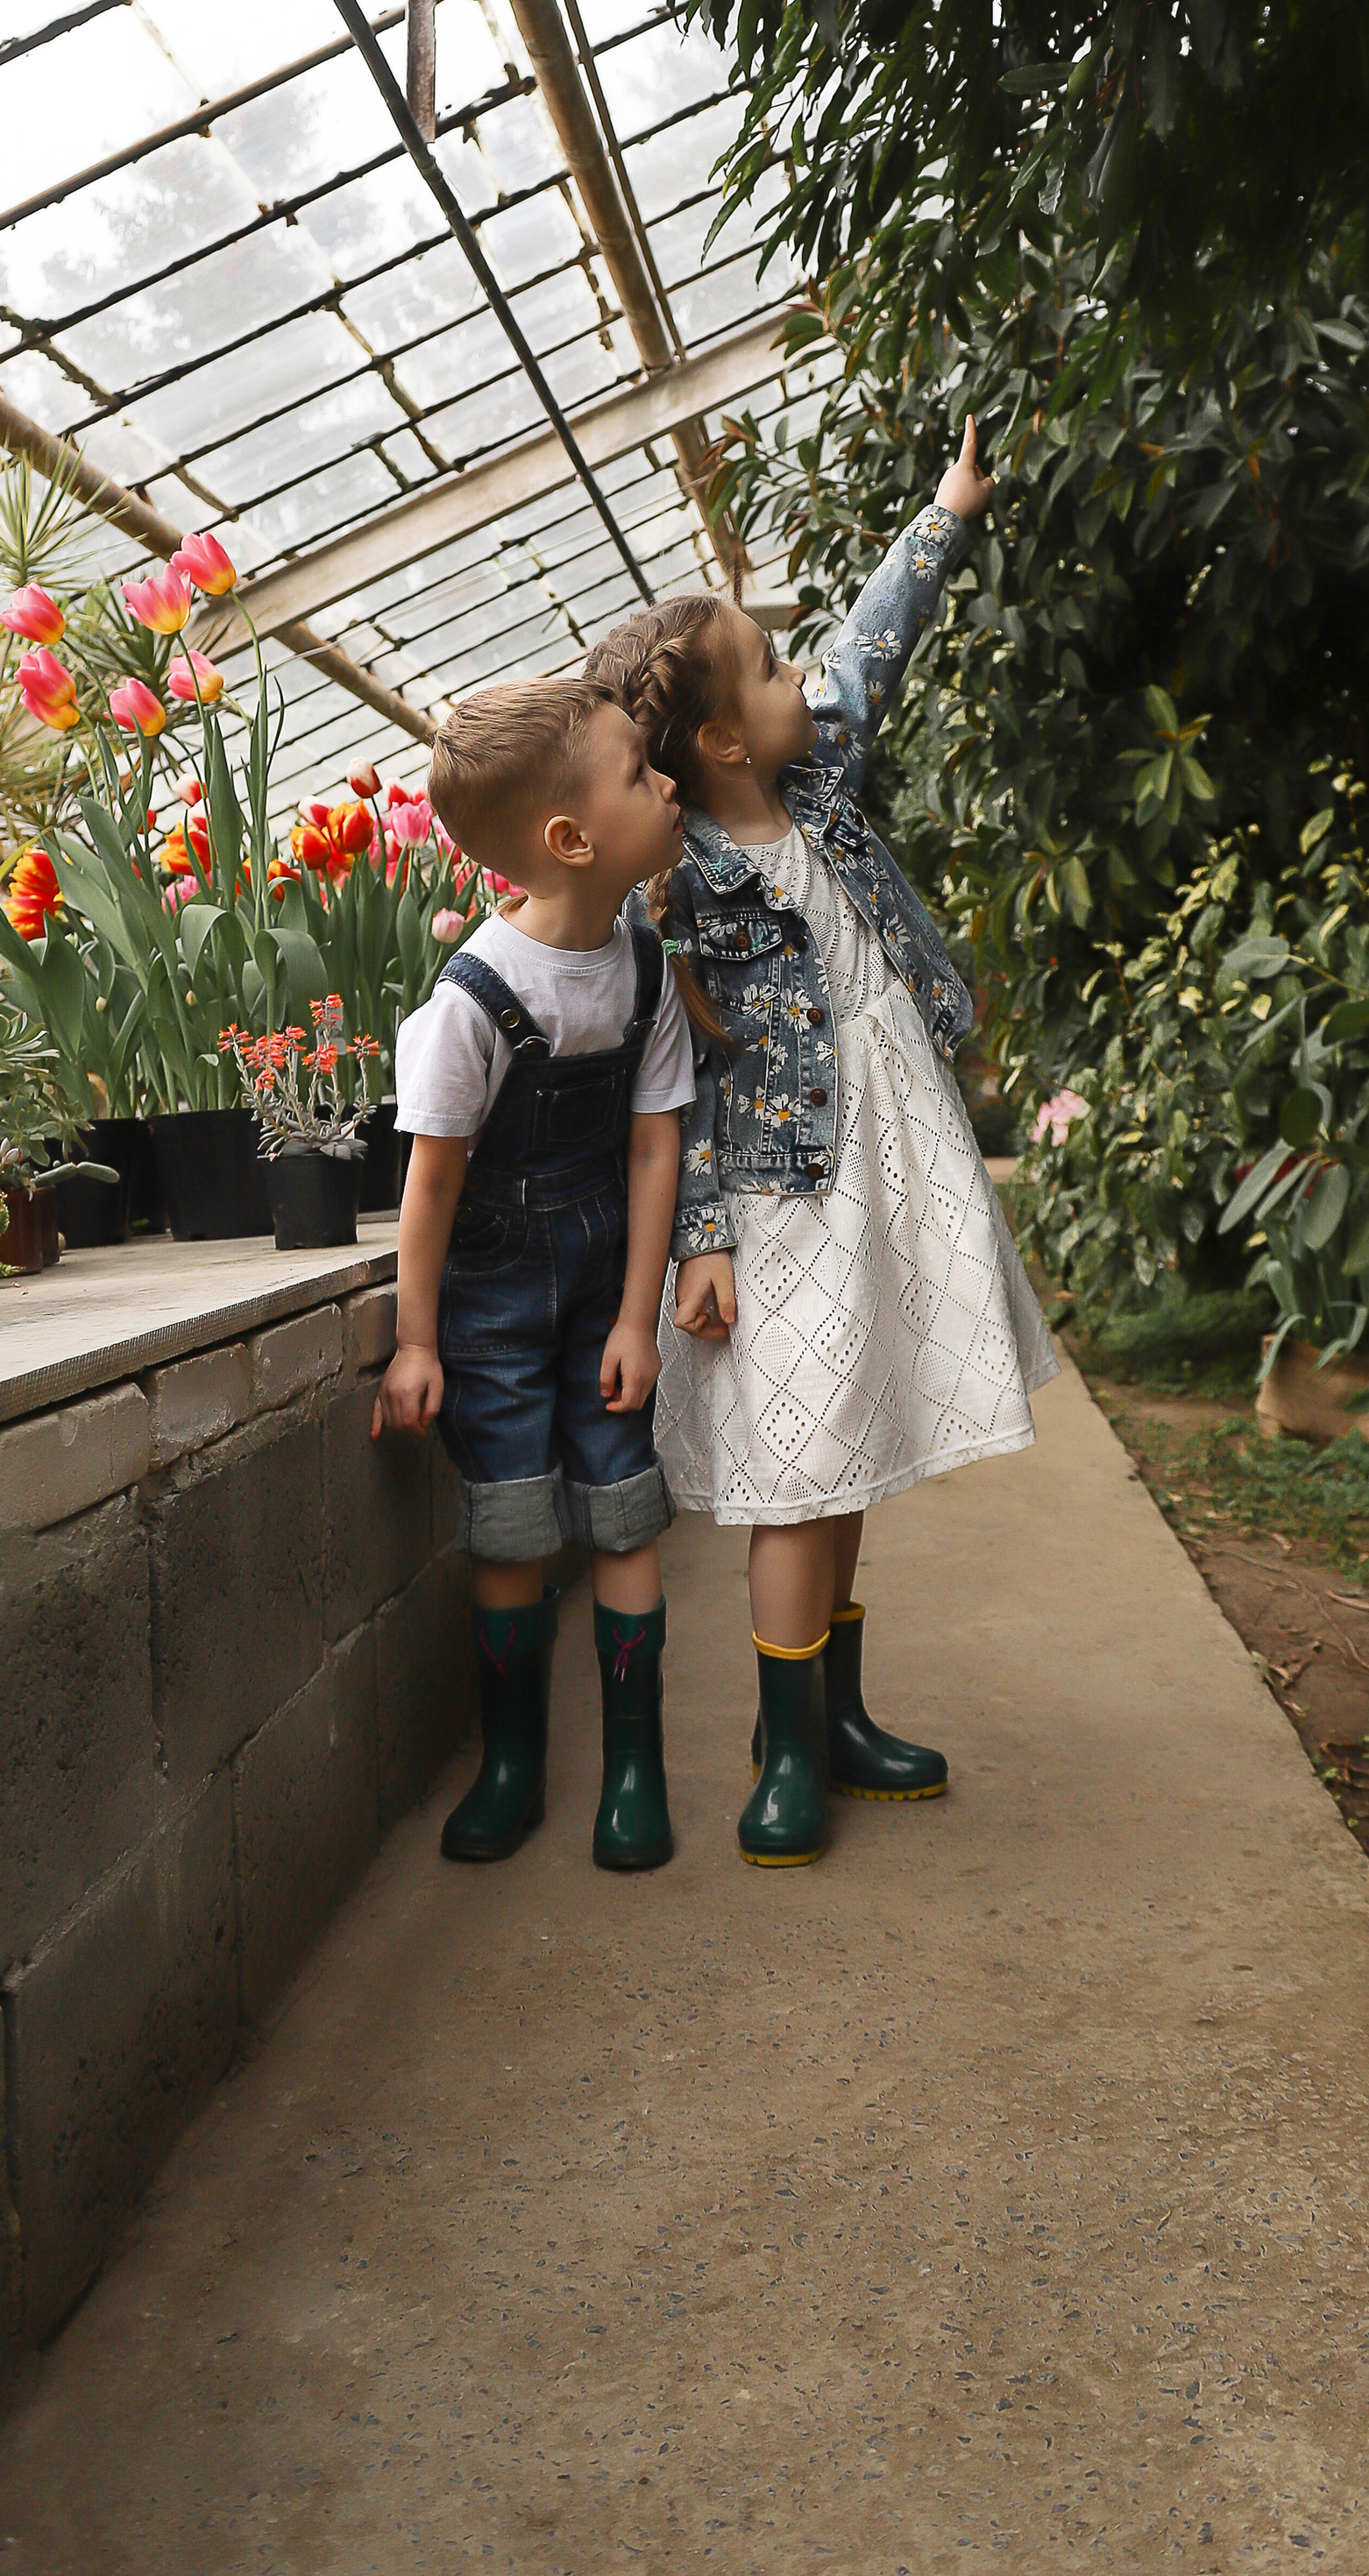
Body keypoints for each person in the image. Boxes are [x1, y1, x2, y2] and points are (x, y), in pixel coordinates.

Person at [582, 417, 1057, 1869]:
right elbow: (682, 1078)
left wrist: (947, 511)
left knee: (848, 1447)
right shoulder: (689, 886)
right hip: (783, 1196)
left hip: (886, 1149)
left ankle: (836, 1719)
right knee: (798, 1464)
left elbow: (872, 646)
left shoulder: (818, 783)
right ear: (722, 738)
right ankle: (784, 1755)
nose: (807, 680)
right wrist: (704, 1239)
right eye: (774, 671)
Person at [373, 681, 694, 1872]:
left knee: (622, 1507)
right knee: (510, 1526)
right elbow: (434, 1186)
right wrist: (418, 1342)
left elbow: (655, 1143)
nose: (668, 783)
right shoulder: (472, 1001)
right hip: (494, 1306)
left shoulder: (641, 968)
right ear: (571, 840)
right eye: (637, 774)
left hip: (602, 1284)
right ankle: (510, 1766)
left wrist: (637, 1319)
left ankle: (633, 1772)